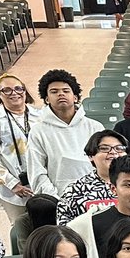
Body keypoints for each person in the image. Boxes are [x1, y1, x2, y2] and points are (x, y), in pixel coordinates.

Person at [27, 70, 103, 200]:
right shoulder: (38, 131)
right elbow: (37, 171)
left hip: (96, 197)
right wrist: (55, 198)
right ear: (46, 99)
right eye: (54, 91)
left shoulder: (95, 127)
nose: (61, 94)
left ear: (75, 97)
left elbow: (105, 164)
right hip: (58, 199)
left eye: (66, 90)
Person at [0, 73, 37, 223]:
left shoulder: (39, 115)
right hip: (11, 187)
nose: (14, 93)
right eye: (7, 90)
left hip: (40, 181)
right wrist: (12, 184)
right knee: (21, 227)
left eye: (18, 88)